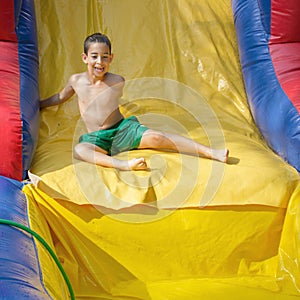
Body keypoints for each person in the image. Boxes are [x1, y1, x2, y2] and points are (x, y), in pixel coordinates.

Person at [40, 32, 228, 171]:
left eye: (105, 57)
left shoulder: (116, 81)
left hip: (122, 129)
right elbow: (60, 97)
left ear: (111, 58)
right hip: (97, 138)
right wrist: (39, 104)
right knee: (80, 150)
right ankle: (123, 165)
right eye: (94, 56)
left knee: (157, 137)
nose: (100, 62)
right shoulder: (76, 81)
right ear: (85, 58)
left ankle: (211, 152)